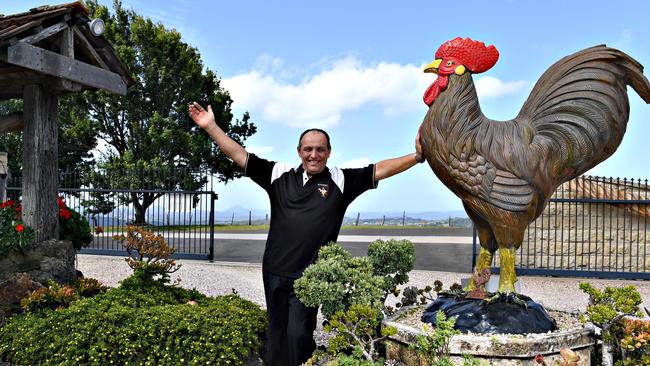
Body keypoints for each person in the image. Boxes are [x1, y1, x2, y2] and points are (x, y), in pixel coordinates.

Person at [188, 102, 424, 366]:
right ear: (299, 151)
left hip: (309, 278)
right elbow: (239, 155)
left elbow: (379, 169)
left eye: (320, 149)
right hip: (275, 270)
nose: (314, 155)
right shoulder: (278, 174)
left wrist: (416, 157)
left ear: (329, 152)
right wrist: (210, 127)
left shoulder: (341, 180)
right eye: (308, 149)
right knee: (277, 332)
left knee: (299, 333)